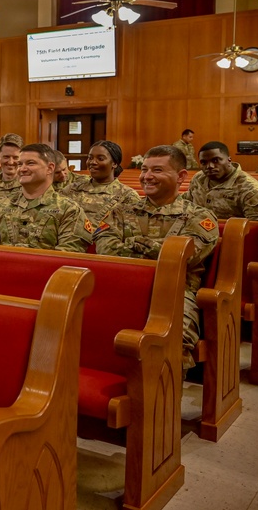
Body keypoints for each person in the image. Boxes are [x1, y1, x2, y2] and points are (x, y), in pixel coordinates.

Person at [94, 145, 219, 369]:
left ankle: (162, 403)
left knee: (171, 342)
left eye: (158, 170)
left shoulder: (199, 217)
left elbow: (183, 257)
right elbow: (105, 249)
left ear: (181, 176)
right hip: (121, 287)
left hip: (173, 293)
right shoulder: (122, 211)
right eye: (144, 170)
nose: (147, 177)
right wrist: (157, 249)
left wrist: (133, 244)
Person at [0, 143, 92, 253]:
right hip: (2, 269)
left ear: (50, 168)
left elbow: (67, 255)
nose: (22, 169)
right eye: (20, 164)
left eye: (30, 163)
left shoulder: (69, 210)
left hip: (49, 271)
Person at [60, 140, 138, 227]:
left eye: (100, 159)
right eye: (90, 158)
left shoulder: (127, 196)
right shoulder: (71, 189)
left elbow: (131, 231)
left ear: (114, 163)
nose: (93, 162)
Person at [186, 141, 258, 221]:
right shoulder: (198, 178)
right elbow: (187, 205)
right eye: (204, 162)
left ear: (229, 160)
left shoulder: (251, 189)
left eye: (215, 160)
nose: (209, 166)